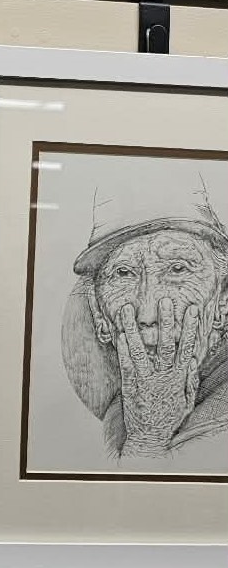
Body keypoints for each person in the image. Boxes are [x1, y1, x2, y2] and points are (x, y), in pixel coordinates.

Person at [64, 183, 228, 467]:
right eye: (123, 272)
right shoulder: (117, 417)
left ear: (223, 300)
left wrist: (148, 439)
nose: (148, 313)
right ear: (99, 312)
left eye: (178, 269)